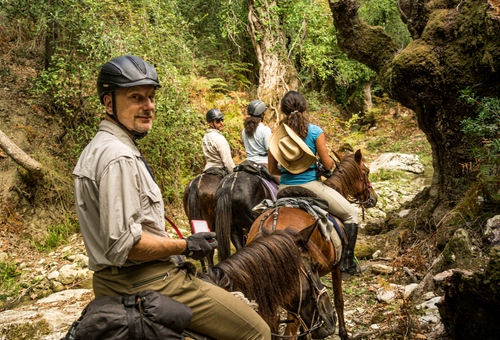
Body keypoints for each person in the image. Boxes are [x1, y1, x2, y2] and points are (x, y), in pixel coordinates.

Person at [73, 55, 270, 339]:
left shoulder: (98, 148)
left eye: (151, 97)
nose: (149, 106)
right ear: (108, 102)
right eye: (136, 97)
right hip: (147, 280)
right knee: (258, 332)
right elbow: (126, 245)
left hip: (108, 282)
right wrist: (185, 245)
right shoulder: (119, 157)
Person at [267, 90, 361, 274]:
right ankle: (347, 265)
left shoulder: (275, 136)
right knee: (351, 214)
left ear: (283, 110)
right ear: (304, 107)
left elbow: (272, 170)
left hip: (284, 188)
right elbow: (328, 164)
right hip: (312, 186)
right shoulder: (315, 131)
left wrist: (288, 172)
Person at [202, 109, 235, 176]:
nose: (221, 123)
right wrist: (234, 173)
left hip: (208, 169)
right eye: (217, 121)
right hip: (220, 170)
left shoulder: (205, 137)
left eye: (221, 120)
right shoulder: (219, 138)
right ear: (211, 123)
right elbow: (227, 161)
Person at [242, 100, 272, 167]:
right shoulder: (265, 130)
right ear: (261, 114)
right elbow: (270, 150)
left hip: (248, 162)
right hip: (263, 162)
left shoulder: (244, 130)